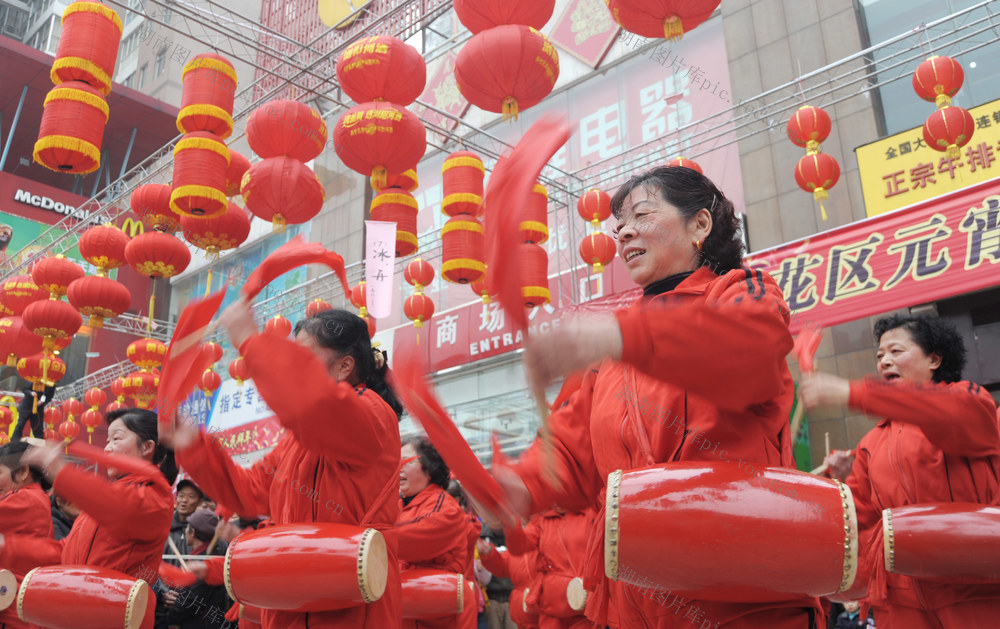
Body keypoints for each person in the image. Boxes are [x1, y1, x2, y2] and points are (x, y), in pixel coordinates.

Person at [488, 166, 821, 627]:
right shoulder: (612, 349)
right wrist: (519, 485)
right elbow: (569, 450)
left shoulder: (742, 293)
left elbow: (747, 354)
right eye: (617, 224)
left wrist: (621, 337)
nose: (623, 232)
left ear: (700, 225)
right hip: (635, 600)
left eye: (641, 215)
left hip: (737, 596)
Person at [168, 306, 403, 629]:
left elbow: (316, 408)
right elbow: (247, 492)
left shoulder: (373, 414)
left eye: (302, 358)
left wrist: (252, 345)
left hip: (351, 604)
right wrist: (193, 445)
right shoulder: (294, 440)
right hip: (290, 601)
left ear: (344, 366)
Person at [802, 314, 1000, 628]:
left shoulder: (971, 400)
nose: (884, 361)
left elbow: (948, 413)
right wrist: (823, 491)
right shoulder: (871, 442)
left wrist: (852, 393)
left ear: (934, 359)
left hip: (975, 588)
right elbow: (856, 521)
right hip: (901, 600)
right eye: (879, 355)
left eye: (896, 351)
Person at [0, 408, 176, 583]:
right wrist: (7, 547)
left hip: (114, 607)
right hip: (79, 603)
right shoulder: (102, 504)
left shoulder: (157, 495)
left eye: (116, 439)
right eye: (107, 440)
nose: (107, 448)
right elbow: (64, 552)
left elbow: (118, 508)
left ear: (146, 447)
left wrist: (60, 471)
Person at [396, 436, 476, 629]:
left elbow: (409, 538)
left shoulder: (445, 508)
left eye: (406, 461)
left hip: (438, 618)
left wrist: (369, 536)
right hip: (404, 614)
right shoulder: (395, 507)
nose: (398, 468)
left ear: (429, 469)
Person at [0, 441, 54, 629]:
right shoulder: (39, 498)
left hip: (11, 607)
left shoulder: (24, 499)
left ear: (23, 471)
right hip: (24, 603)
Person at [165, 478, 205, 566]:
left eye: (191, 496)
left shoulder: (203, 532)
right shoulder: (163, 527)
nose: (184, 500)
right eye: (181, 495)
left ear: (200, 502)